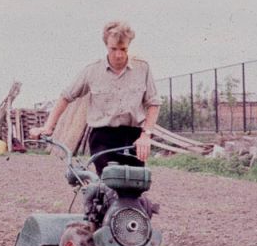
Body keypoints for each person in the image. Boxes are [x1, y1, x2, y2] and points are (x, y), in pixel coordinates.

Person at [30, 21, 161, 174]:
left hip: (133, 137)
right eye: (113, 49)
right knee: (108, 182)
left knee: (135, 183)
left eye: (123, 49)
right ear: (106, 45)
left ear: (129, 45)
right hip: (103, 137)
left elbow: (154, 102)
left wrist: (145, 135)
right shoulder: (92, 71)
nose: (118, 55)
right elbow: (66, 96)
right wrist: (48, 127)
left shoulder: (142, 68)